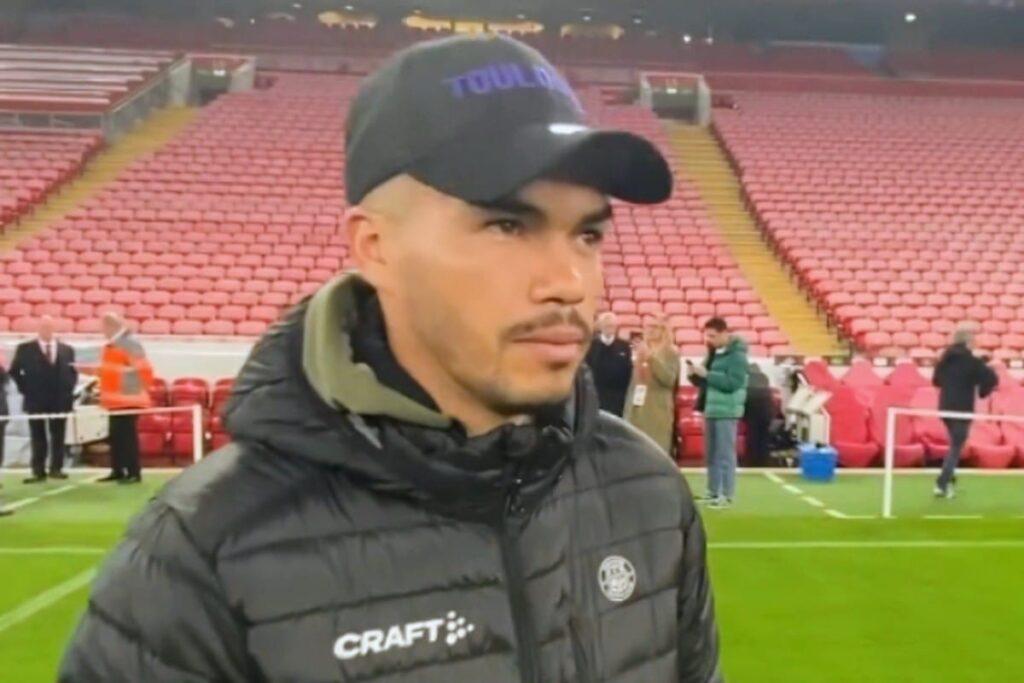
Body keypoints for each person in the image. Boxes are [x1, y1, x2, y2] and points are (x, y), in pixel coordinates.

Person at [59, 35, 722, 683]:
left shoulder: (648, 494)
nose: (569, 281)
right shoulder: (204, 548)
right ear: (374, 246)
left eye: (588, 233)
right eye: (507, 225)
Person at [78, 313, 153, 485]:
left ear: (111, 326)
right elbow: (112, 370)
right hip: (115, 401)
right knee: (116, 436)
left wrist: (125, 389)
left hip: (128, 400)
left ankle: (133, 472)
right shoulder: (112, 346)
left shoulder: (129, 343)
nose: (102, 332)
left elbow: (143, 370)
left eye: (103, 328)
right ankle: (118, 469)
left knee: (127, 437)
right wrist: (96, 372)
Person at [688, 318, 749, 509]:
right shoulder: (713, 352)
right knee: (711, 454)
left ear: (724, 333)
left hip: (727, 410)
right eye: (707, 335)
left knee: (725, 454)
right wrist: (694, 374)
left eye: (713, 336)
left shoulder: (737, 356)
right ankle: (713, 491)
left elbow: (733, 383)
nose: (710, 339)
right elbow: (707, 382)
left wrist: (707, 375)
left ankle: (727, 495)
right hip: (711, 408)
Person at [9, 316, 78, 482]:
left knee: (58, 435)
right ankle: (38, 470)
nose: (46, 330)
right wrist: (25, 388)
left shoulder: (66, 350)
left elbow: (72, 372)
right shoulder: (25, 349)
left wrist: (68, 389)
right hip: (36, 399)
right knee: (37, 435)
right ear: (38, 329)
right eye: (43, 327)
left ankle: (57, 468)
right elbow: (14, 371)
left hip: (60, 400)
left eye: (49, 327)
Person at [931, 326, 997, 498]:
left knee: (954, 444)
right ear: (969, 343)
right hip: (962, 409)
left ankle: (948, 482)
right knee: (955, 448)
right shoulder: (973, 362)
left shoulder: (944, 360)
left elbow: (936, 381)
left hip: (945, 407)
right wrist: (983, 391)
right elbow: (991, 378)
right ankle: (942, 484)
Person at [625, 315, 681, 456]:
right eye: (647, 326)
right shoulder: (641, 351)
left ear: (663, 330)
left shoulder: (670, 351)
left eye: (654, 327)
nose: (649, 330)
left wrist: (652, 358)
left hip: (658, 409)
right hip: (638, 408)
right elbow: (635, 383)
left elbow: (668, 379)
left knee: (656, 450)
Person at [584, 311, 633, 416]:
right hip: (596, 395)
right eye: (606, 325)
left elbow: (628, 371)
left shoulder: (624, 346)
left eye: (612, 326)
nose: (609, 328)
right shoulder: (591, 346)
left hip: (618, 397)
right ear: (601, 327)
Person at [743, 363, 775, 468]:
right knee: (764, 437)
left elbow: (744, 397)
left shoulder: (746, 378)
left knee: (752, 436)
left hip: (753, 410)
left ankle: (752, 462)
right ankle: (764, 461)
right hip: (767, 411)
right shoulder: (764, 378)